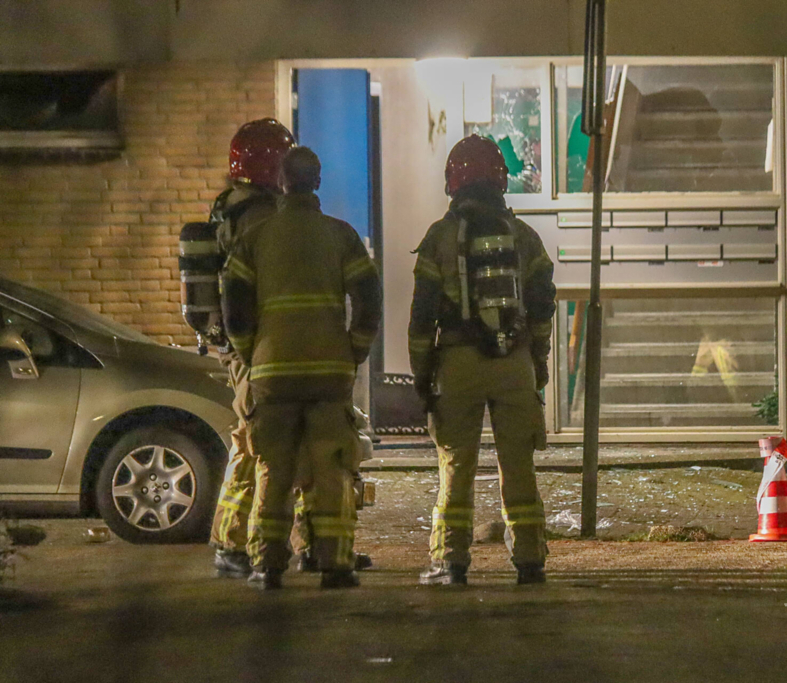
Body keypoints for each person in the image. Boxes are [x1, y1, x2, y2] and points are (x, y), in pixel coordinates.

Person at [205, 120, 372, 579]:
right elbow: (369, 299)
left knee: (269, 465)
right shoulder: (336, 233)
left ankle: (265, 562)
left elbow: (233, 303)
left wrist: (250, 352)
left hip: (267, 366)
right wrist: (354, 350)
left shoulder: (246, 226)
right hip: (326, 369)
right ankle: (329, 556)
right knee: (330, 464)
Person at [409, 134, 556, 586]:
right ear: (500, 180)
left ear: (453, 181)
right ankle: (530, 560)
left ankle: (451, 562)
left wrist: (422, 376)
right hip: (514, 364)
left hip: (457, 364)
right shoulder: (525, 238)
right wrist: (538, 357)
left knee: (456, 465)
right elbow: (543, 302)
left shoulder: (439, 237)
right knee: (518, 464)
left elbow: (422, 315)